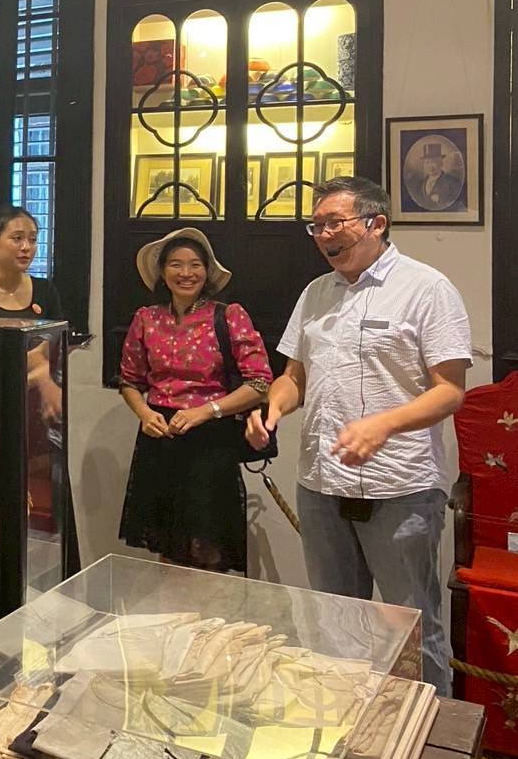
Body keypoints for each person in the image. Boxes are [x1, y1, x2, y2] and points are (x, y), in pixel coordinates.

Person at [247, 176, 470, 693]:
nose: (324, 235)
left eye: (335, 223)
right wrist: (272, 408)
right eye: (316, 226)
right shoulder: (316, 293)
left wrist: (384, 424)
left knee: (412, 630)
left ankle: (429, 733)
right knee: (335, 625)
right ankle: (348, 725)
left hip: (401, 487)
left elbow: (450, 391)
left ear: (377, 223)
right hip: (322, 485)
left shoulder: (427, 288)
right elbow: (294, 377)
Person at [116, 228, 272, 573]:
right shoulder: (147, 318)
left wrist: (207, 411)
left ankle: (210, 609)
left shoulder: (229, 315)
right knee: (166, 542)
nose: (186, 273)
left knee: (208, 545)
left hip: (210, 443)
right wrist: (144, 413)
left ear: (207, 271)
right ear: (162, 272)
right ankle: (171, 607)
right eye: (176, 264)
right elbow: (129, 380)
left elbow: (260, 383)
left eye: (195, 265)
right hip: (160, 441)